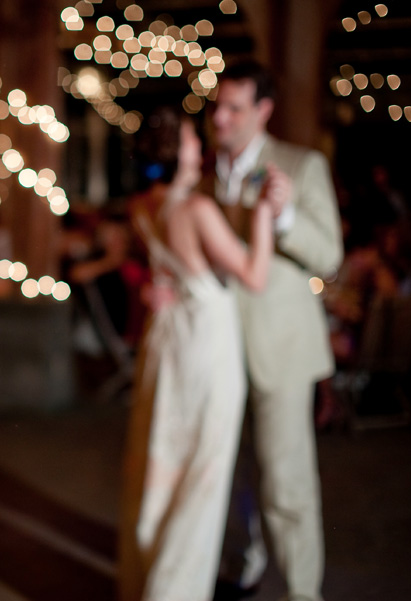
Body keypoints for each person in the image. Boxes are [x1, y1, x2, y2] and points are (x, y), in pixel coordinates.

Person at [119, 106, 277, 601]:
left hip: (165, 342)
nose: (198, 143)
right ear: (175, 150)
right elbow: (253, 275)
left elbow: (162, 268)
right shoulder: (197, 210)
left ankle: (149, 570)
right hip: (206, 343)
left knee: (160, 455)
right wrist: (266, 215)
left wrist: (154, 287)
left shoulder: (142, 207)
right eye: (190, 137)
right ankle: (174, 588)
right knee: (203, 469)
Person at [209, 60, 343, 601]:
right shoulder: (203, 169)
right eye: (217, 105)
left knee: (286, 483)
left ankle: (302, 593)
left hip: (279, 350)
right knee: (232, 472)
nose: (220, 117)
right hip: (216, 348)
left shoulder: (299, 164)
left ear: (263, 110)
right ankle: (243, 567)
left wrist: (285, 217)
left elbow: (329, 256)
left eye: (234, 107)